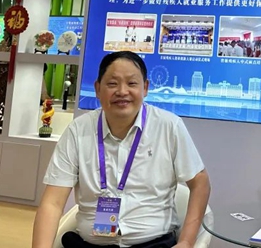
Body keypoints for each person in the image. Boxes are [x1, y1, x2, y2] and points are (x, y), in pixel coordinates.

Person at [33, 51, 210, 248]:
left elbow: (200, 182)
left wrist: (186, 241)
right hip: (90, 244)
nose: (122, 91)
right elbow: (53, 203)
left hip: (152, 243)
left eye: (132, 83)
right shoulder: (78, 130)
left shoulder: (169, 127)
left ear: (145, 88)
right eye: (112, 83)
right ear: (97, 89)